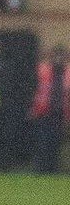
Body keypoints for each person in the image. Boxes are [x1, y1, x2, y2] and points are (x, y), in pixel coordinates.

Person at [30, 45, 69, 173]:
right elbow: (34, 89)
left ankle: (52, 168)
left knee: (56, 142)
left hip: (60, 113)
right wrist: (33, 109)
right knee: (42, 141)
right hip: (43, 111)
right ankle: (41, 168)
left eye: (61, 56)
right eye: (56, 56)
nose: (58, 59)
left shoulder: (67, 74)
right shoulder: (43, 70)